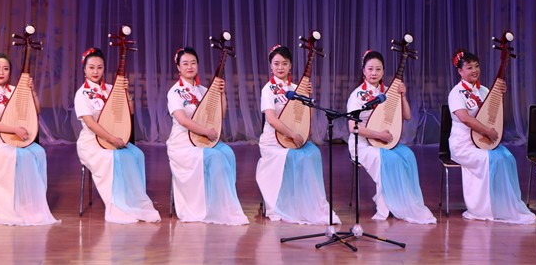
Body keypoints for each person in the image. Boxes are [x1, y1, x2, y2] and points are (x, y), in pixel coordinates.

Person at [345, 50, 436, 224]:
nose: (374, 73)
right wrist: (378, 134)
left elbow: (407, 116)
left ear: (383, 71)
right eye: (370, 69)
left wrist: (402, 95)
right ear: (363, 71)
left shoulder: (388, 92)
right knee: (389, 159)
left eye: (378, 69)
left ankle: (405, 202)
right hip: (362, 144)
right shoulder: (357, 95)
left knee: (408, 156)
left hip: (383, 141)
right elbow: (353, 127)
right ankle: (387, 206)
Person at [448, 49, 536, 224]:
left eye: (476, 66)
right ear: (460, 71)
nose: (474, 70)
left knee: (507, 157)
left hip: (482, 141)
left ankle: (504, 204)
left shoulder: (484, 90)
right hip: (463, 144)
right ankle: (483, 208)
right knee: (492, 160)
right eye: (469, 67)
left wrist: (499, 95)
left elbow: (493, 114)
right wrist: (487, 131)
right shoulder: (456, 93)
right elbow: (465, 118)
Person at [255, 45, 339, 224]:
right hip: (273, 141)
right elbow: (271, 119)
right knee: (295, 157)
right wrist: (292, 134)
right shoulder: (268, 89)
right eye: (276, 63)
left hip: (293, 137)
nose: (280, 67)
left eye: (284, 63)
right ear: (271, 66)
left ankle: (307, 202)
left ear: (290, 65)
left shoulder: (296, 88)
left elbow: (306, 117)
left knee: (313, 153)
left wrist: (308, 95)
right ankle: (288, 203)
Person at [74, 48, 160, 224]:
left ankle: (133, 201)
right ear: (84, 69)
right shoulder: (81, 94)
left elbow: (129, 112)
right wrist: (112, 139)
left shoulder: (111, 89)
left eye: (99, 67)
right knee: (112, 158)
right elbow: (90, 123)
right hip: (92, 142)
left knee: (137, 154)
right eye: (91, 67)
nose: (96, 71)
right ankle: (118, 205)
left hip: (115, 138)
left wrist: (126, 93)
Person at [166, 47, 248, 225]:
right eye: (185, 64)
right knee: (215, 156)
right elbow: (183, 121)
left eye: (193, 63)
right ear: (178, 67)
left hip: (203, 139)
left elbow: (220, 115)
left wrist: (221, 94)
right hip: (183, 143)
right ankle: (211, 207)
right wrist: (207, 132)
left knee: (227, 153)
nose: (189, 67)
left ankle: (224, 204)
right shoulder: (174, 92)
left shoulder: (204, 90)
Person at [0, 53, 59, 225]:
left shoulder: (15, 91)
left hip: (14, 137)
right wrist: (14, 129)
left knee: (39, 152)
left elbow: (36, 110)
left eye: (5, 69)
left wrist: (32, 91)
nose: (1, 72)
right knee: (21, 156)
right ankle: (11, 207)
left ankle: (30, 206)